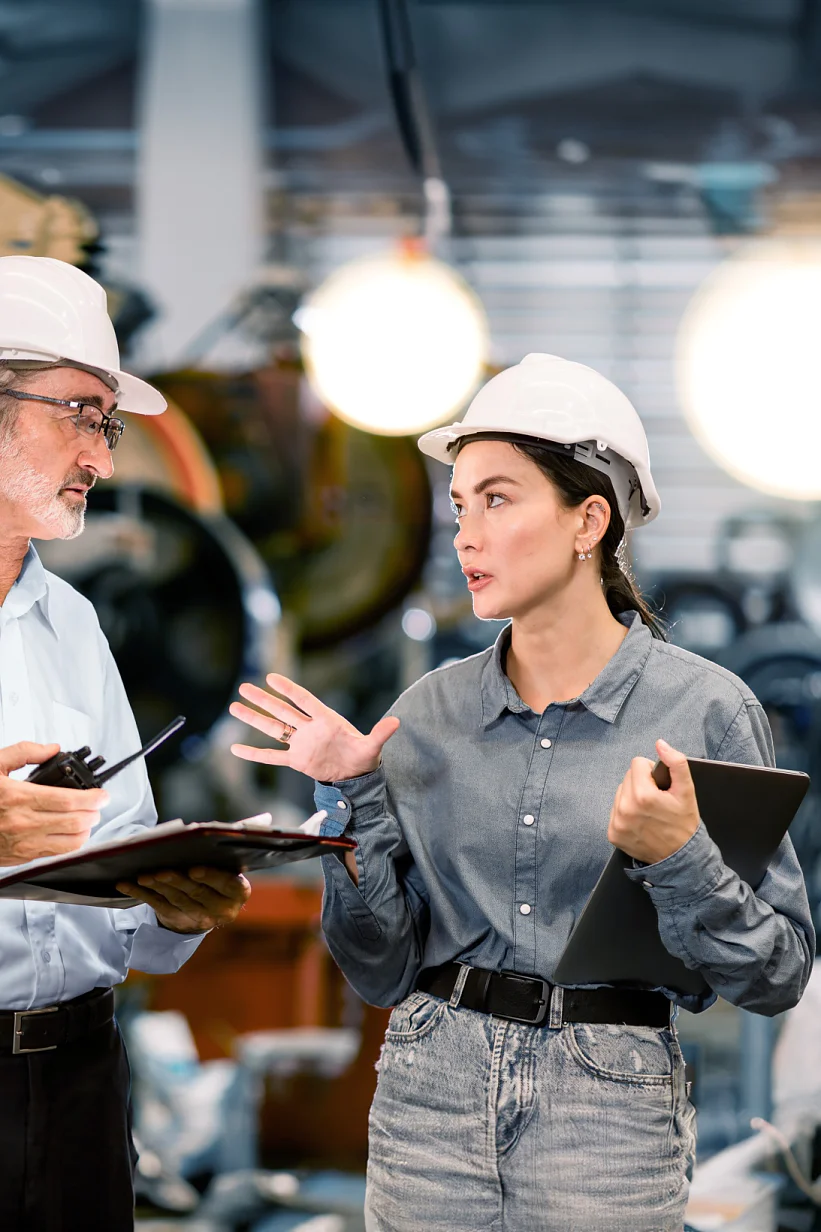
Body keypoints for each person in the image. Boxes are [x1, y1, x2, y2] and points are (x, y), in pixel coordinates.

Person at [230, 353, 814, 1232]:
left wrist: (681, 858)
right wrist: (353, 801)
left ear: (589, 520)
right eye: (459, 506)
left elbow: (775, 973)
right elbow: (378, 968)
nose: (464, 535)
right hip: (430, 1095)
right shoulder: (423, 714)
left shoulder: (702, 710)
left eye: (497, 500)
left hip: (606, 1112)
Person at [0, 254, 251, 1232]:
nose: (103, 458)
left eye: (107, 423)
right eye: (81, 414)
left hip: (77, 1082)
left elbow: (123, 883)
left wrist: (176, 907)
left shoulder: (73, 622)